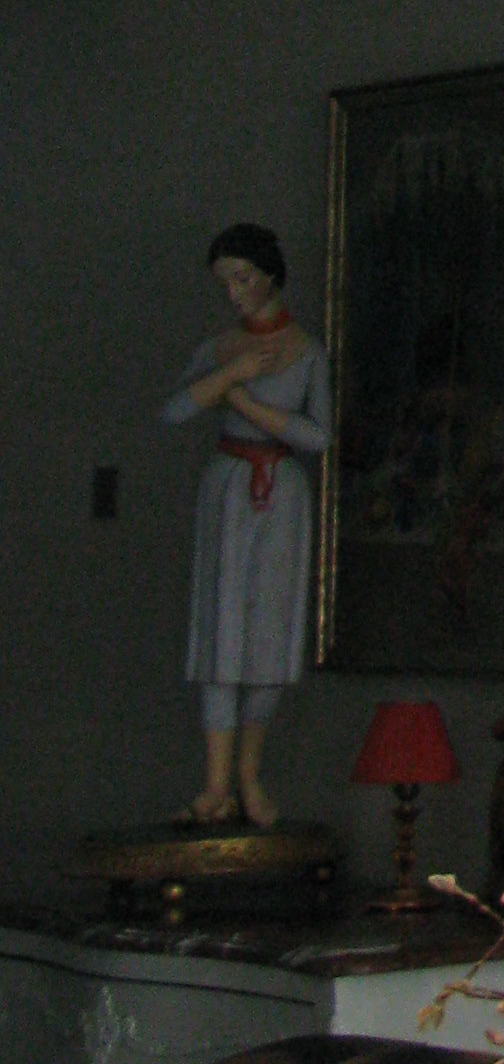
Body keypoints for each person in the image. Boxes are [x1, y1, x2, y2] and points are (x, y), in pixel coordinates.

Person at [162, 222, 330, 829]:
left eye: (243, 279)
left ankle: (249, 777)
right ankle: (215, 785)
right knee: (221, 632)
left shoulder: (306, 351)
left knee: (268, 636)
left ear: (268, 277)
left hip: (279, 494)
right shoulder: (221, 348)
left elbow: (317, 435)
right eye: (226, 283)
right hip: (231, 490)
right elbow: (175, 408)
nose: (234, 293)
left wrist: (248, 404)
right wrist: (228, 378)